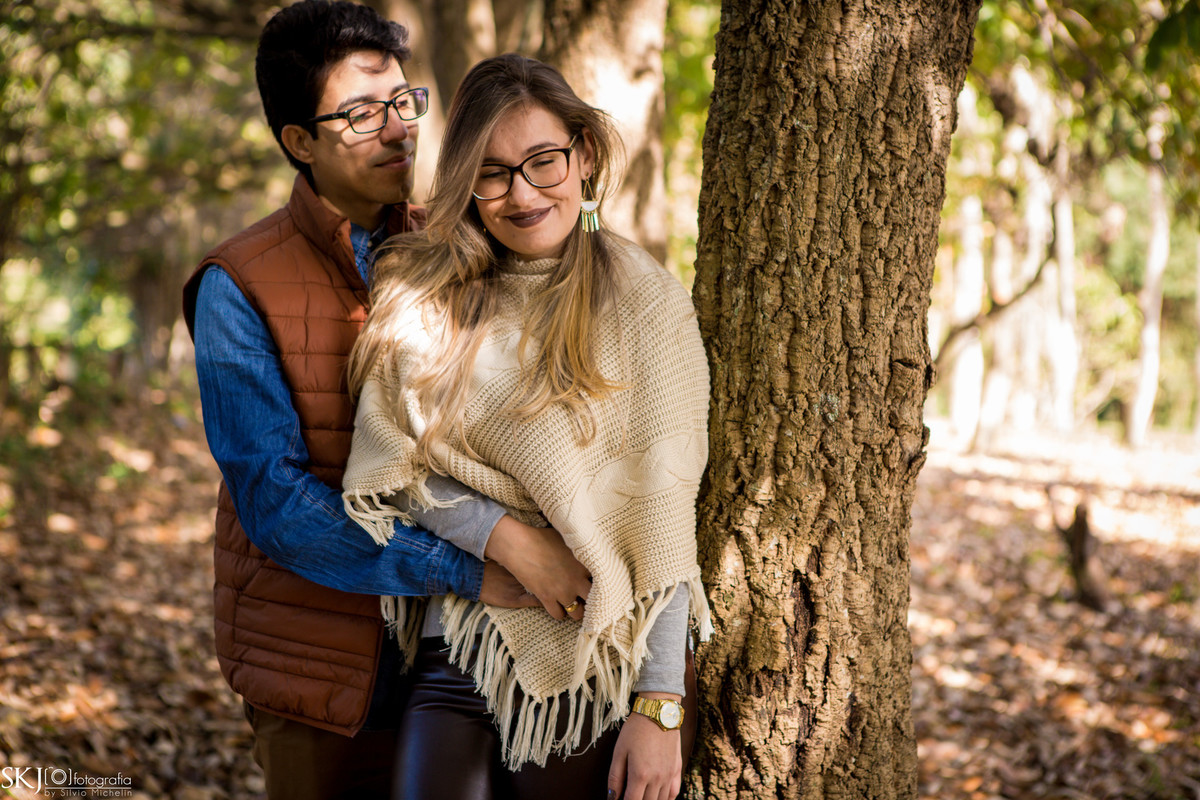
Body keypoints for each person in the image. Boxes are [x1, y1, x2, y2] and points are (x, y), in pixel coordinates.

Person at [180, 4, 577, 798]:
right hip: (320, 667)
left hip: (468, 653)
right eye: (362, 114)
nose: (399, 130)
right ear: (300, 141)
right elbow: (277, 503)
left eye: (404, 102)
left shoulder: (461, 241)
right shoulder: (238, 283)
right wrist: (465, 567)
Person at [341, 53, 713, 800]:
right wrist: (506, 538)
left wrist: (661, 704)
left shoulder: (644, 302)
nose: (522, 193)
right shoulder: (423, 295)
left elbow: (666, 523)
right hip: (459, 653)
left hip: (596, 664)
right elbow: (395, 473)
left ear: (582, 153)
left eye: (543, 162)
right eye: (494, 171)